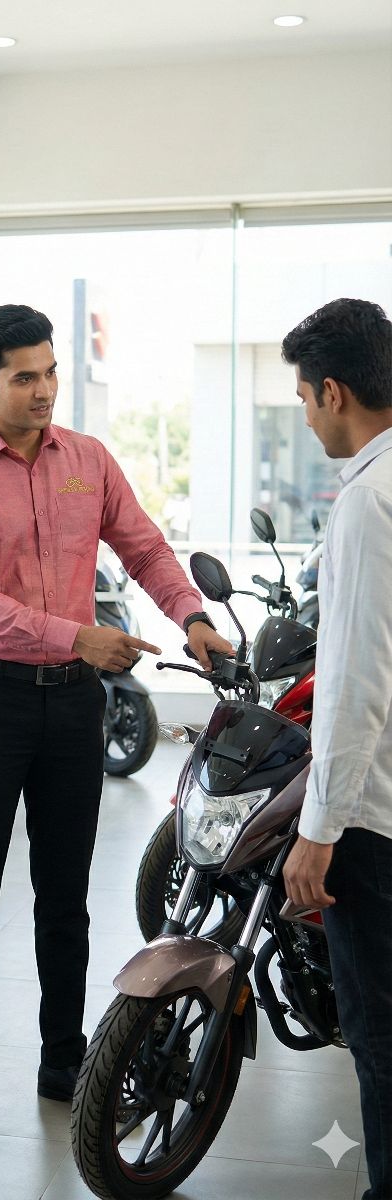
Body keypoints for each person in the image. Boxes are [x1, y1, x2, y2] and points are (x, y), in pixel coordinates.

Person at [0, 304, 233, 1151]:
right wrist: (77, 636)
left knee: (65, 899)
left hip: (72, 706)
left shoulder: (87, 460)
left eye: (51, 371)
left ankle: (63, 1061)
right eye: (25, 377)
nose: (45, 390)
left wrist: (192, 618)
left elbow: (145, 548)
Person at [280, 299, 392, 1200]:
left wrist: (319, 831)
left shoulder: (368, 500)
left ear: (333, 391)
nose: (307, 417)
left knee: (382, 1041)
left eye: (304, 399)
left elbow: (354, 682)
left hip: (377, 822)